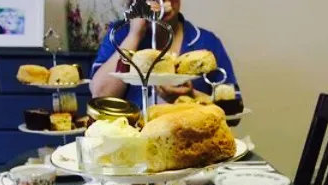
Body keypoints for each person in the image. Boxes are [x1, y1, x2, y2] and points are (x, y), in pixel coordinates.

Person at [90, 0, 239, 106]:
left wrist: (191, 96)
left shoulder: (206, 42)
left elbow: (233, 111)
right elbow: (100, 95)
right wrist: (135, 34)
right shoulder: (120, 35)